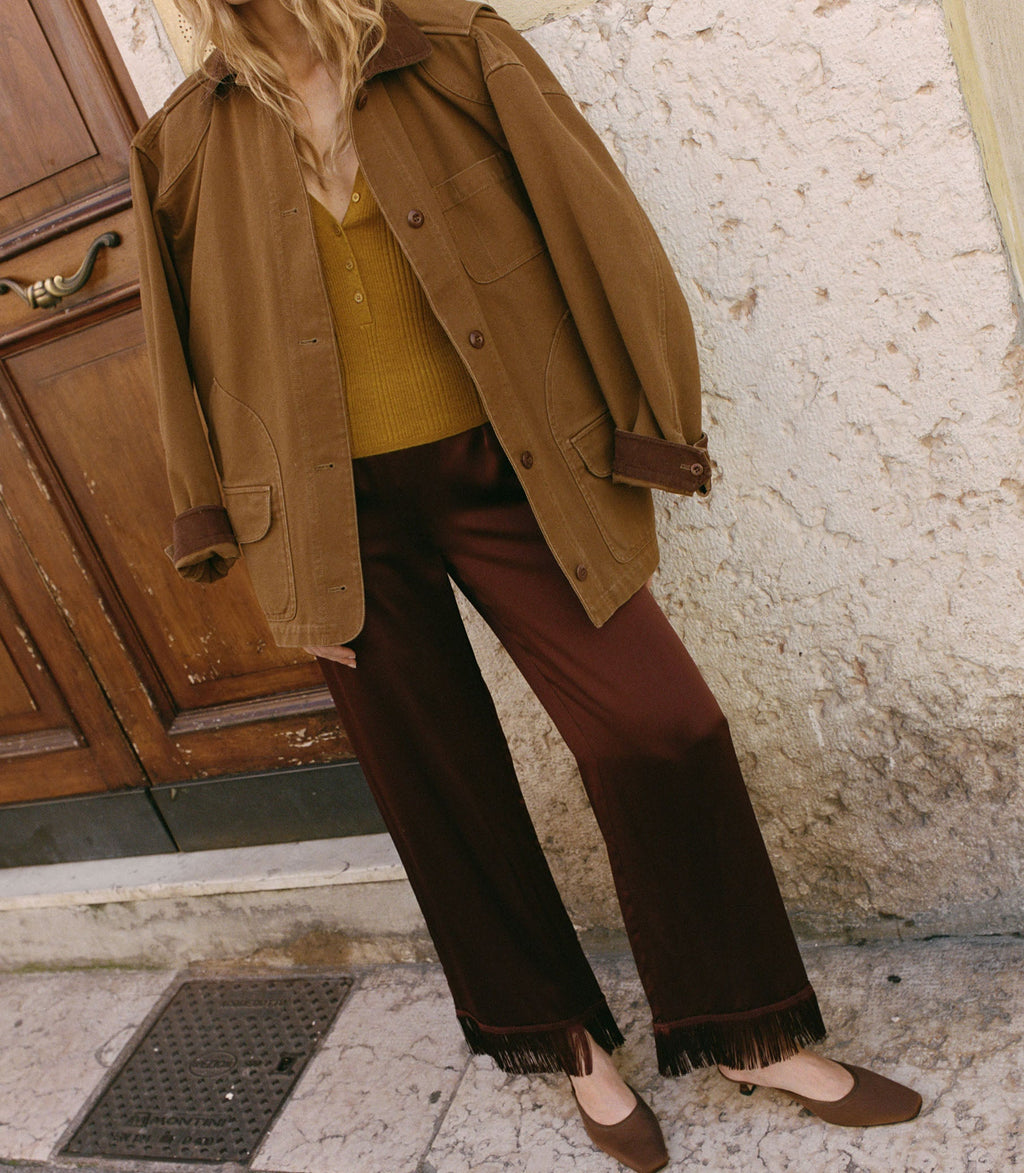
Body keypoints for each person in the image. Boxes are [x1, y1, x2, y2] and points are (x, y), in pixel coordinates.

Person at [130, 0, 922, 1168]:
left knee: (663, 727)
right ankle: (567, 1047)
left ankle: (746, 1029)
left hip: (513, 469)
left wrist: (652, 423)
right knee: (438, 788)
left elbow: (599, 227)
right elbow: (176, 348)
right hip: (327, 518)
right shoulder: (182, 140)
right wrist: (228, 532)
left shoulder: (454, 52)